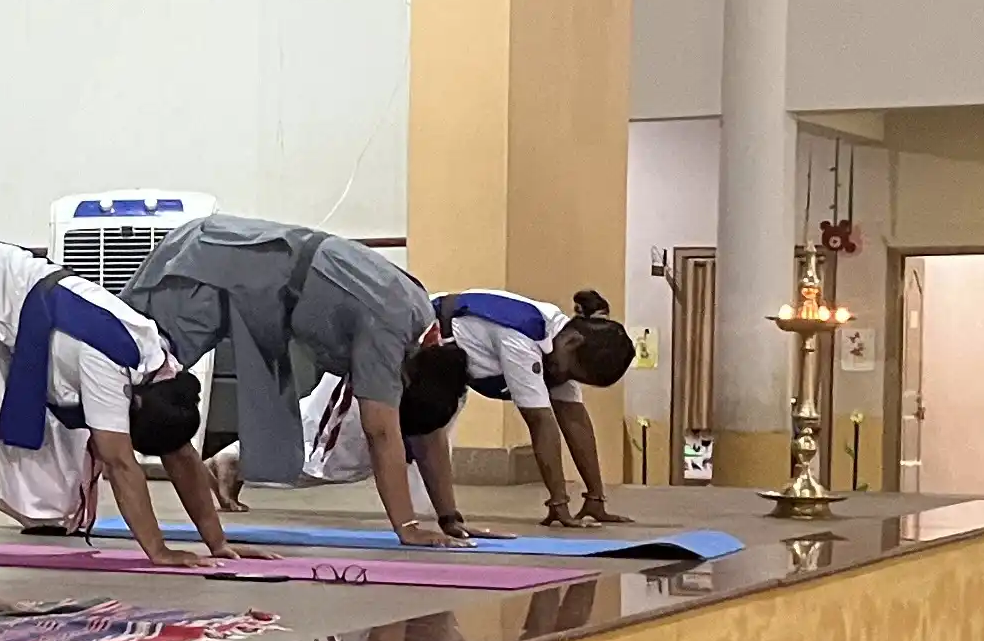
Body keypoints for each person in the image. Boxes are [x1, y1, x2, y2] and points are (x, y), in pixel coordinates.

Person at [0, 240, 234, 563]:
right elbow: (119, 463)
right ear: (133, 405)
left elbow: (180, 452)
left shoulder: (164, 377)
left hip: (7, 314)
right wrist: (158, 550)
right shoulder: (111, 358)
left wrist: (219, 544)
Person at [135, 212, 474, 549]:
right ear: (407, 377)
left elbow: (427, 431)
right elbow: (382, 431)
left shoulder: (420, 321)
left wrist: (450, 518)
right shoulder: (389, 328)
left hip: (240, 270)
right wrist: (408, 527)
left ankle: (209, 525)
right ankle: (132, 523)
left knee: (146, 391)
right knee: (152, 397)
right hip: (203, 267)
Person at [434, 287, 639, 527]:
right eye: (571, 372)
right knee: (411, 442)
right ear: (572, 342)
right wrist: (559, 504)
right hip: (414, 337)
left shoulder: (562, 344)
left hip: (450, 367)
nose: (564, 378)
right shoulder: (522, 335)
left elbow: (575, 420)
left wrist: (596, 497)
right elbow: (540, 422)